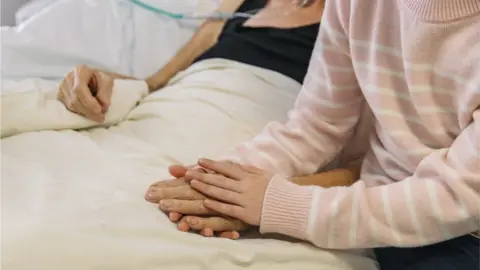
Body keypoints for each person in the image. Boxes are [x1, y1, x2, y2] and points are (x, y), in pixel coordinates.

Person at [148, 0, 480, 269]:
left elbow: (456, 196)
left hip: (463, 236)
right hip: (369, 213)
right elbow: (315, 125)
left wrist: (282, 205)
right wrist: (219, 184)